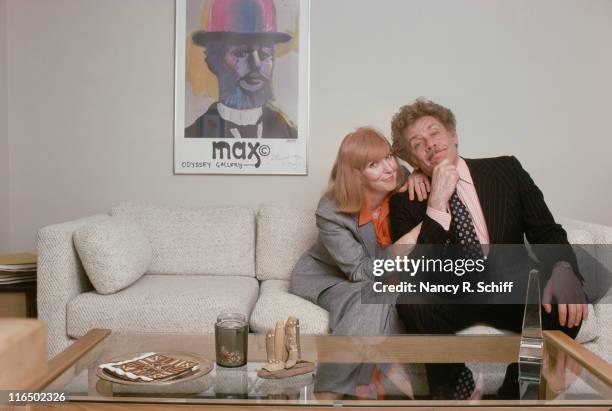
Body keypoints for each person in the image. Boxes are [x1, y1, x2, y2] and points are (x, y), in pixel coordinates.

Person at [388, 97, 588, 399]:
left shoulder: (506, 171)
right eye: (417, 143)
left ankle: (514, 393)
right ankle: (456, 390)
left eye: (435, 132)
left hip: (510, 287)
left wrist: (563, 269)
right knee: (411, 298)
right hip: (450, 293)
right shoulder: (406, 201)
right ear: (413, 160)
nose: (429, 143)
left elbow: (547, 231)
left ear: (454, 136)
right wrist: (437, 202)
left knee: (568, 298)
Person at [289, 127, 421, 398]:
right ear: (356, 175)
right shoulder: (330, 211)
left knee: (386, 297)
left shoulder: (402, 178)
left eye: (388, 157)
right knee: (371, 298)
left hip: (380, 277)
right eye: (374, 164)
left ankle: (350, 387)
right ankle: (330, 392)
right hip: (331, 277)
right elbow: (360, 271)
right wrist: (403, 246)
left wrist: (420, 174)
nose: (389, 168)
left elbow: (430, 171)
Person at [186, 0, 297, 139]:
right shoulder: (194, 136)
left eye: (264, 54)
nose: (256, 64)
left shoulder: (289, 134)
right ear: (214, 60)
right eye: (241, 53)